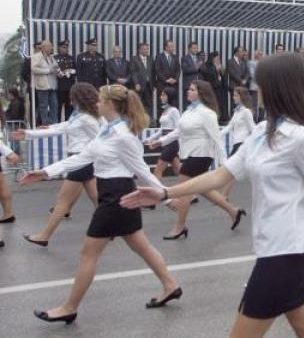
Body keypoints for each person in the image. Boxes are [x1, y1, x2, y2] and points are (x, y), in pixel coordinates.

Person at [120, 53, 304, 337]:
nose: (257, 91)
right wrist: (164, 191)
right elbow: (221, 175)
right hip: (273, 249)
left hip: (285, 254)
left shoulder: (302, 139)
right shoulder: (260, 132)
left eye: (261, 84)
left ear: (278, 87)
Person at [21, 84, 181, 324]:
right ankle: (170, 285)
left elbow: (141, 170)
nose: (96, 104)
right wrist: (45, 171)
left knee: (88, 254)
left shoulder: (123, 136)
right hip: (113, 193)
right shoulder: (106, 129)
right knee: (141, 245)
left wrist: (166, 195)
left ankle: (69, 307)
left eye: (100, 101)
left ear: (110, 105)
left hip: (117, 196)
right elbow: (83, 157)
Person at [148, 80, 246, 240]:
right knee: (203, 188)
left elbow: (217, 139)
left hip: (201, 155)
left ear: (200, 93)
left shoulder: (207, 114)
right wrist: (160, 142)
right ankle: (233, 211)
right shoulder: (188, 112)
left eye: (192, 89)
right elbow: (177, 131)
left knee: (184, 189)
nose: (188, 91)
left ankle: (179, 227)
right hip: (190, 154)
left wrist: (225, 164)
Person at [15, 83, 101, 246]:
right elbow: (63, 127)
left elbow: (100, 140)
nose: (70, 99)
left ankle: (44, 236)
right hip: (82, 161)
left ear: (78, 97)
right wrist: (30, 133)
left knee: (62, 203)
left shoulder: (87, 118)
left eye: (72, 96)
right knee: (97, 198)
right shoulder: (80, 114)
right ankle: (108, 228)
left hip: (81, 160)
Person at [220, 87, 256, 200]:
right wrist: (217, 135)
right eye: (234, 95)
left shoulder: (246, 112)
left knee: (231, 169)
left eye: (235, 95)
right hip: (237, 143)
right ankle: (224, 195)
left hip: (242, 143)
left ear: (241, 97)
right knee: (236, 170)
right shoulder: (237, 112)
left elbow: (253, 128)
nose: (233, 97)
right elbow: (229, 126)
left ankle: (224, 196)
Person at [144, 88, 182, 181]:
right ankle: (192, 189)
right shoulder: (165, 110)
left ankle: (161, 194)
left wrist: (161, 140)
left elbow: (179, 129)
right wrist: (149, 139)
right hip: (165, 143)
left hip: (172, 143)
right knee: (179, 171)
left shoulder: (174, 111)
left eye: (164, 95)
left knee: (158, 170)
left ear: (169, 96)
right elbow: (161, 130)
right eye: (161, 95)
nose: (161, 97)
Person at [31, 40, 59, 125]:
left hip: (52, 84)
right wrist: (48, 70)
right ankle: (45, 123)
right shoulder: (36, 56)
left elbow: (55, 67)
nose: (51, 48)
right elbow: (34, 69)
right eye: (49, 46)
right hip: (42, 85)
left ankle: (54, 122)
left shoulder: (51, 57)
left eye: (51, 46)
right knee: (43, 105)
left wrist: (59, 72)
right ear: (43, 47)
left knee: (54, 104)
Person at [200, 51, 228, 124]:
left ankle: (222, 118)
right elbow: (208, 74)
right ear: (212, 58)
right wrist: (216, 69)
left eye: (219, 58)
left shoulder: (220, 65)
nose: (218, 60)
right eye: (216, 58)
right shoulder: (208, 65)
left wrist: (222, 71)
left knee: (221, 104)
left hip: (220, 88)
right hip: (212, 88)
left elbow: (223, 76)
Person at [154, 40, 180, 117]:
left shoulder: (175, 57)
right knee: (162, 104)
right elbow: (157, 70)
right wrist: (166, 80)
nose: (173, 48)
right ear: (166, 47)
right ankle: (160, 123)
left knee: (174, 104)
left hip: (173, 85)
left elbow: (178, 70)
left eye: (173, 46)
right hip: (163, 85)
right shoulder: (159, 57)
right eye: (171, 46)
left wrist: (175, 79)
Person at [129, 42, 154, 116]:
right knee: (138, 104)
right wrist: (136, 83)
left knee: (149, 105)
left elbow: (153, 72)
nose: (146, 51)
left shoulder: (150, 59)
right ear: (139, 50)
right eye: (144, 49)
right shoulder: (134, 59)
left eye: (147, 49)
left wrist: (154, 84)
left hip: (149, 86)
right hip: (139, 86)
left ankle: (149, 122)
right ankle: (138, 121)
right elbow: (133, 72)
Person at [54, 40, 77, 120]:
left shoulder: (71, 58)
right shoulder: (55, 58)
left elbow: (75, 70)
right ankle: (58, 124)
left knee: (69, 107)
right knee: (58, 107)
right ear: (59, 48)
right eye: (63, 47)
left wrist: (70, 71)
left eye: (66, 47)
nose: (65, 49)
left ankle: (68, 123)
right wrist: (61, 73)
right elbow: (54, 71)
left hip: (70, 86)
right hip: (59, 86)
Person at [181, 42, 205, 107]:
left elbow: (204, 70)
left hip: (198, 85)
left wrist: (202, 66)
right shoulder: (185, 58)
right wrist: (196, 67)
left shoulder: (200, 58)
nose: (196, 50)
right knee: (187, 104)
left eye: (197, 48)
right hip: (189, 85)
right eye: (194, 48)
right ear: (189, 49)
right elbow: (186, 70)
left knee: (199, 104)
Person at [247, 50, 263, 120]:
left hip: (263, 87)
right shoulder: (251, 63)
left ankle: (261, 118)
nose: (260, 55)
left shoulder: (264, 62)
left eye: (261, 54)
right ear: (255, 55)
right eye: (258, 54)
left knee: (262, 104)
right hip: (255, 86)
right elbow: (253, 74)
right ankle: (254, 118)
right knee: (254, 104)